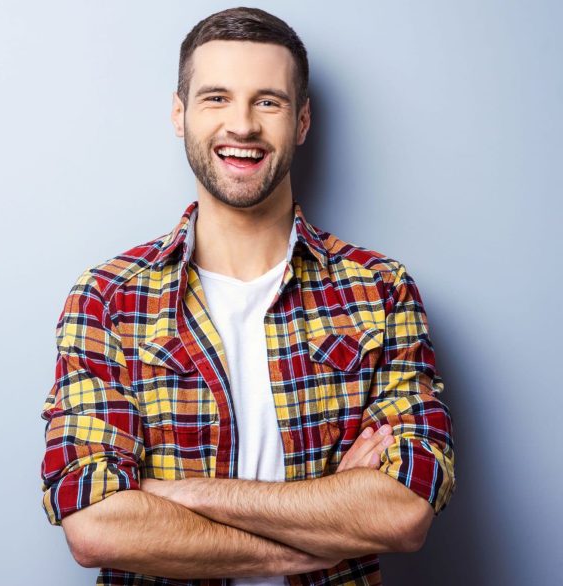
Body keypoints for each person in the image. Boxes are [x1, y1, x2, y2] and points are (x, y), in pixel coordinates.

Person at [39, 7, 455, 586]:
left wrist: (174, 494)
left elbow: (403, 511)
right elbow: (95, 525)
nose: (243, 125)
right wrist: (319, 527)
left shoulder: (379, 291)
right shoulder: (107, 299)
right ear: (179, 115)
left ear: (302, 120)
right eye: (216, 98)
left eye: (268, 101)